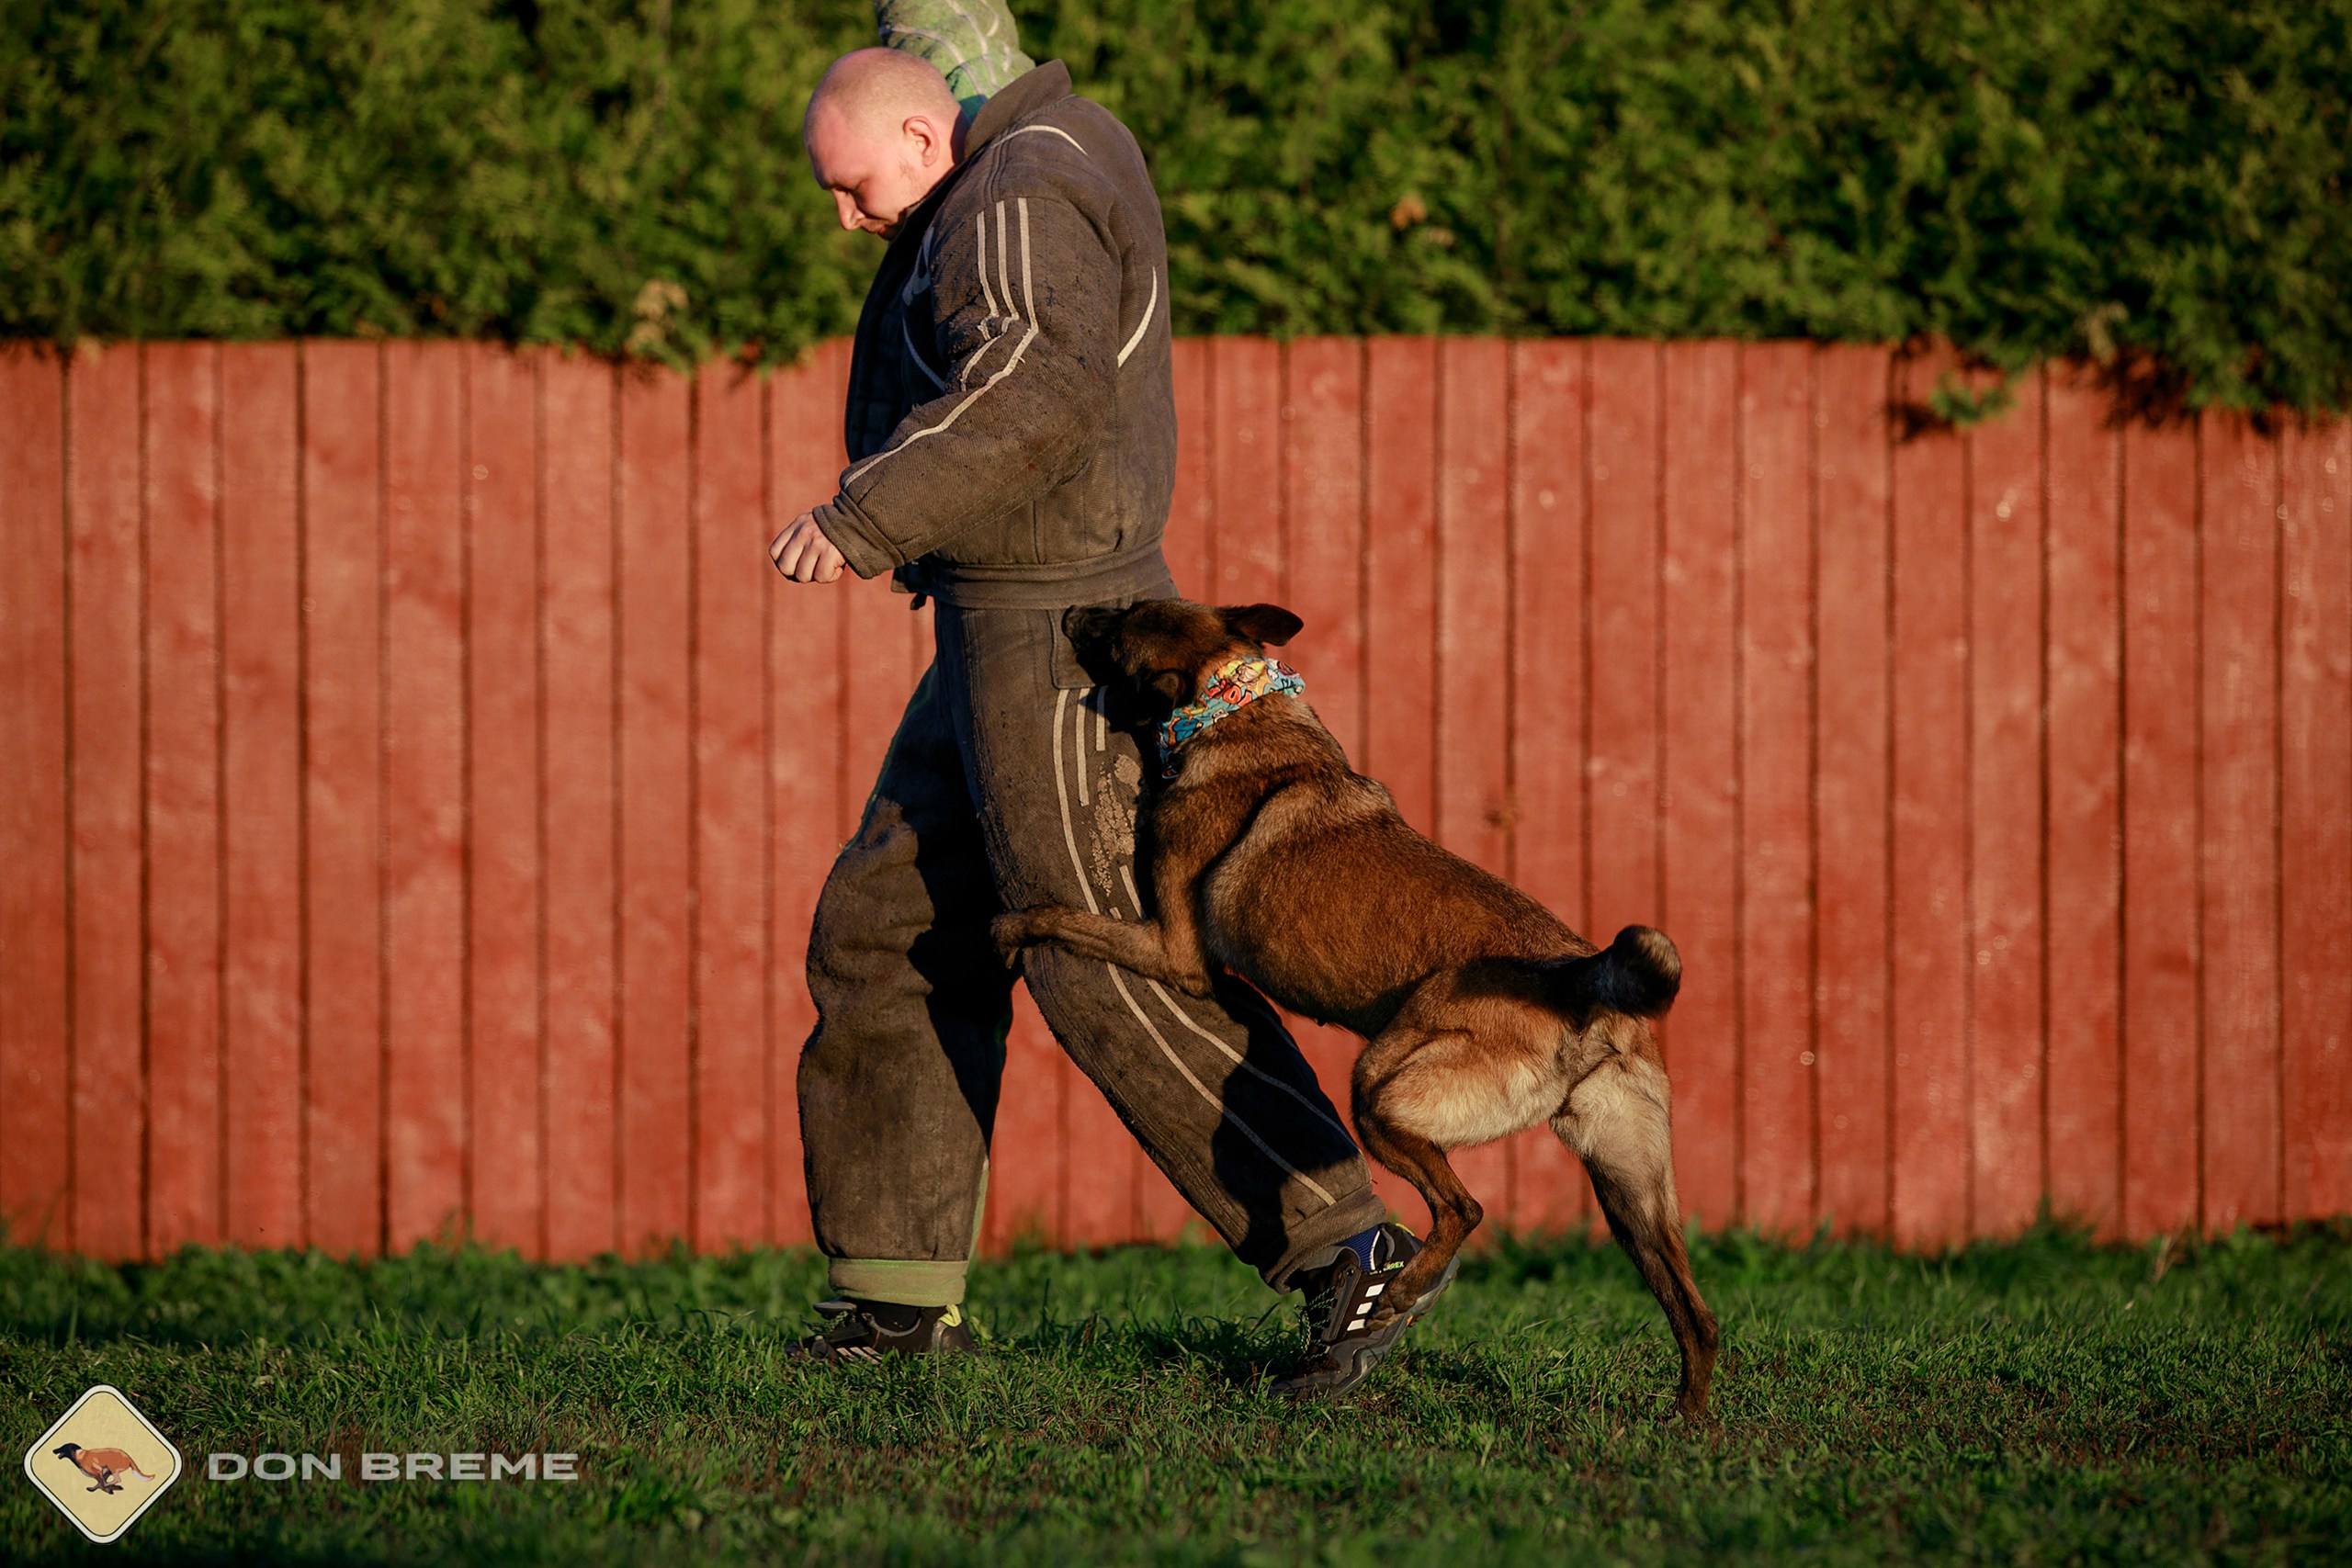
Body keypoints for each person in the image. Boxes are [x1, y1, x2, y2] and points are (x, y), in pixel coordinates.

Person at [770, 7, 1450, 1396]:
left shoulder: (1017, 190)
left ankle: (1347, 1246)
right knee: (886, 932)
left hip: (1051, 636)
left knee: (1098, 951)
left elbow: (1037, 387)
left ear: (927, 119)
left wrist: (866, 515)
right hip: (993, 622)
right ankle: (895, 1300)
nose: (847, 218)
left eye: (854, 185)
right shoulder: (1049, 153)